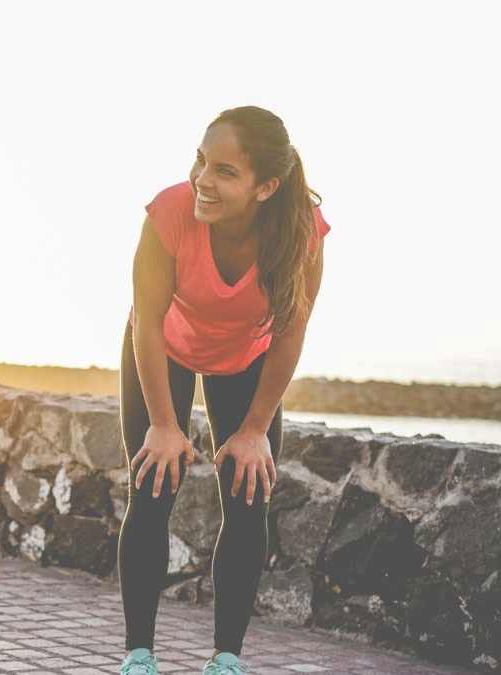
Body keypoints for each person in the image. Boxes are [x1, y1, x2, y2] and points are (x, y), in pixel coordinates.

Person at [117, 106, 329, 675]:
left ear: (267, 186)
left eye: (224, 171)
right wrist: (166, 424)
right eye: (200, 161)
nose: (202, 180)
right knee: (152, 489)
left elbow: (290, 332)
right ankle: (139, 657)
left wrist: (255, 428)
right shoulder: (169, 213)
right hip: (162, 348)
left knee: (248, 499)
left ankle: (226, 661)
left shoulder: (302, 233)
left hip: (247, 359)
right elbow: (148, 321)